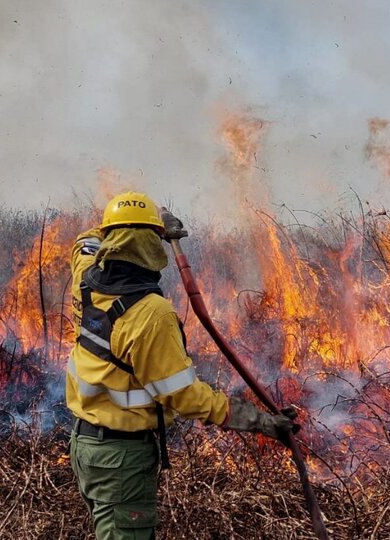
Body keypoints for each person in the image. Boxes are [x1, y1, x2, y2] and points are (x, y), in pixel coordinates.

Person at [66, 191, 295, 540]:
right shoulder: (151, 315)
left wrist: (137, 222)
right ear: (152, 246)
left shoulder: (85, 277)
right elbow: (184, 395)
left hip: (86, 448)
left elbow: (87, 240)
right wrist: (261, 421)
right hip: (122, 459)